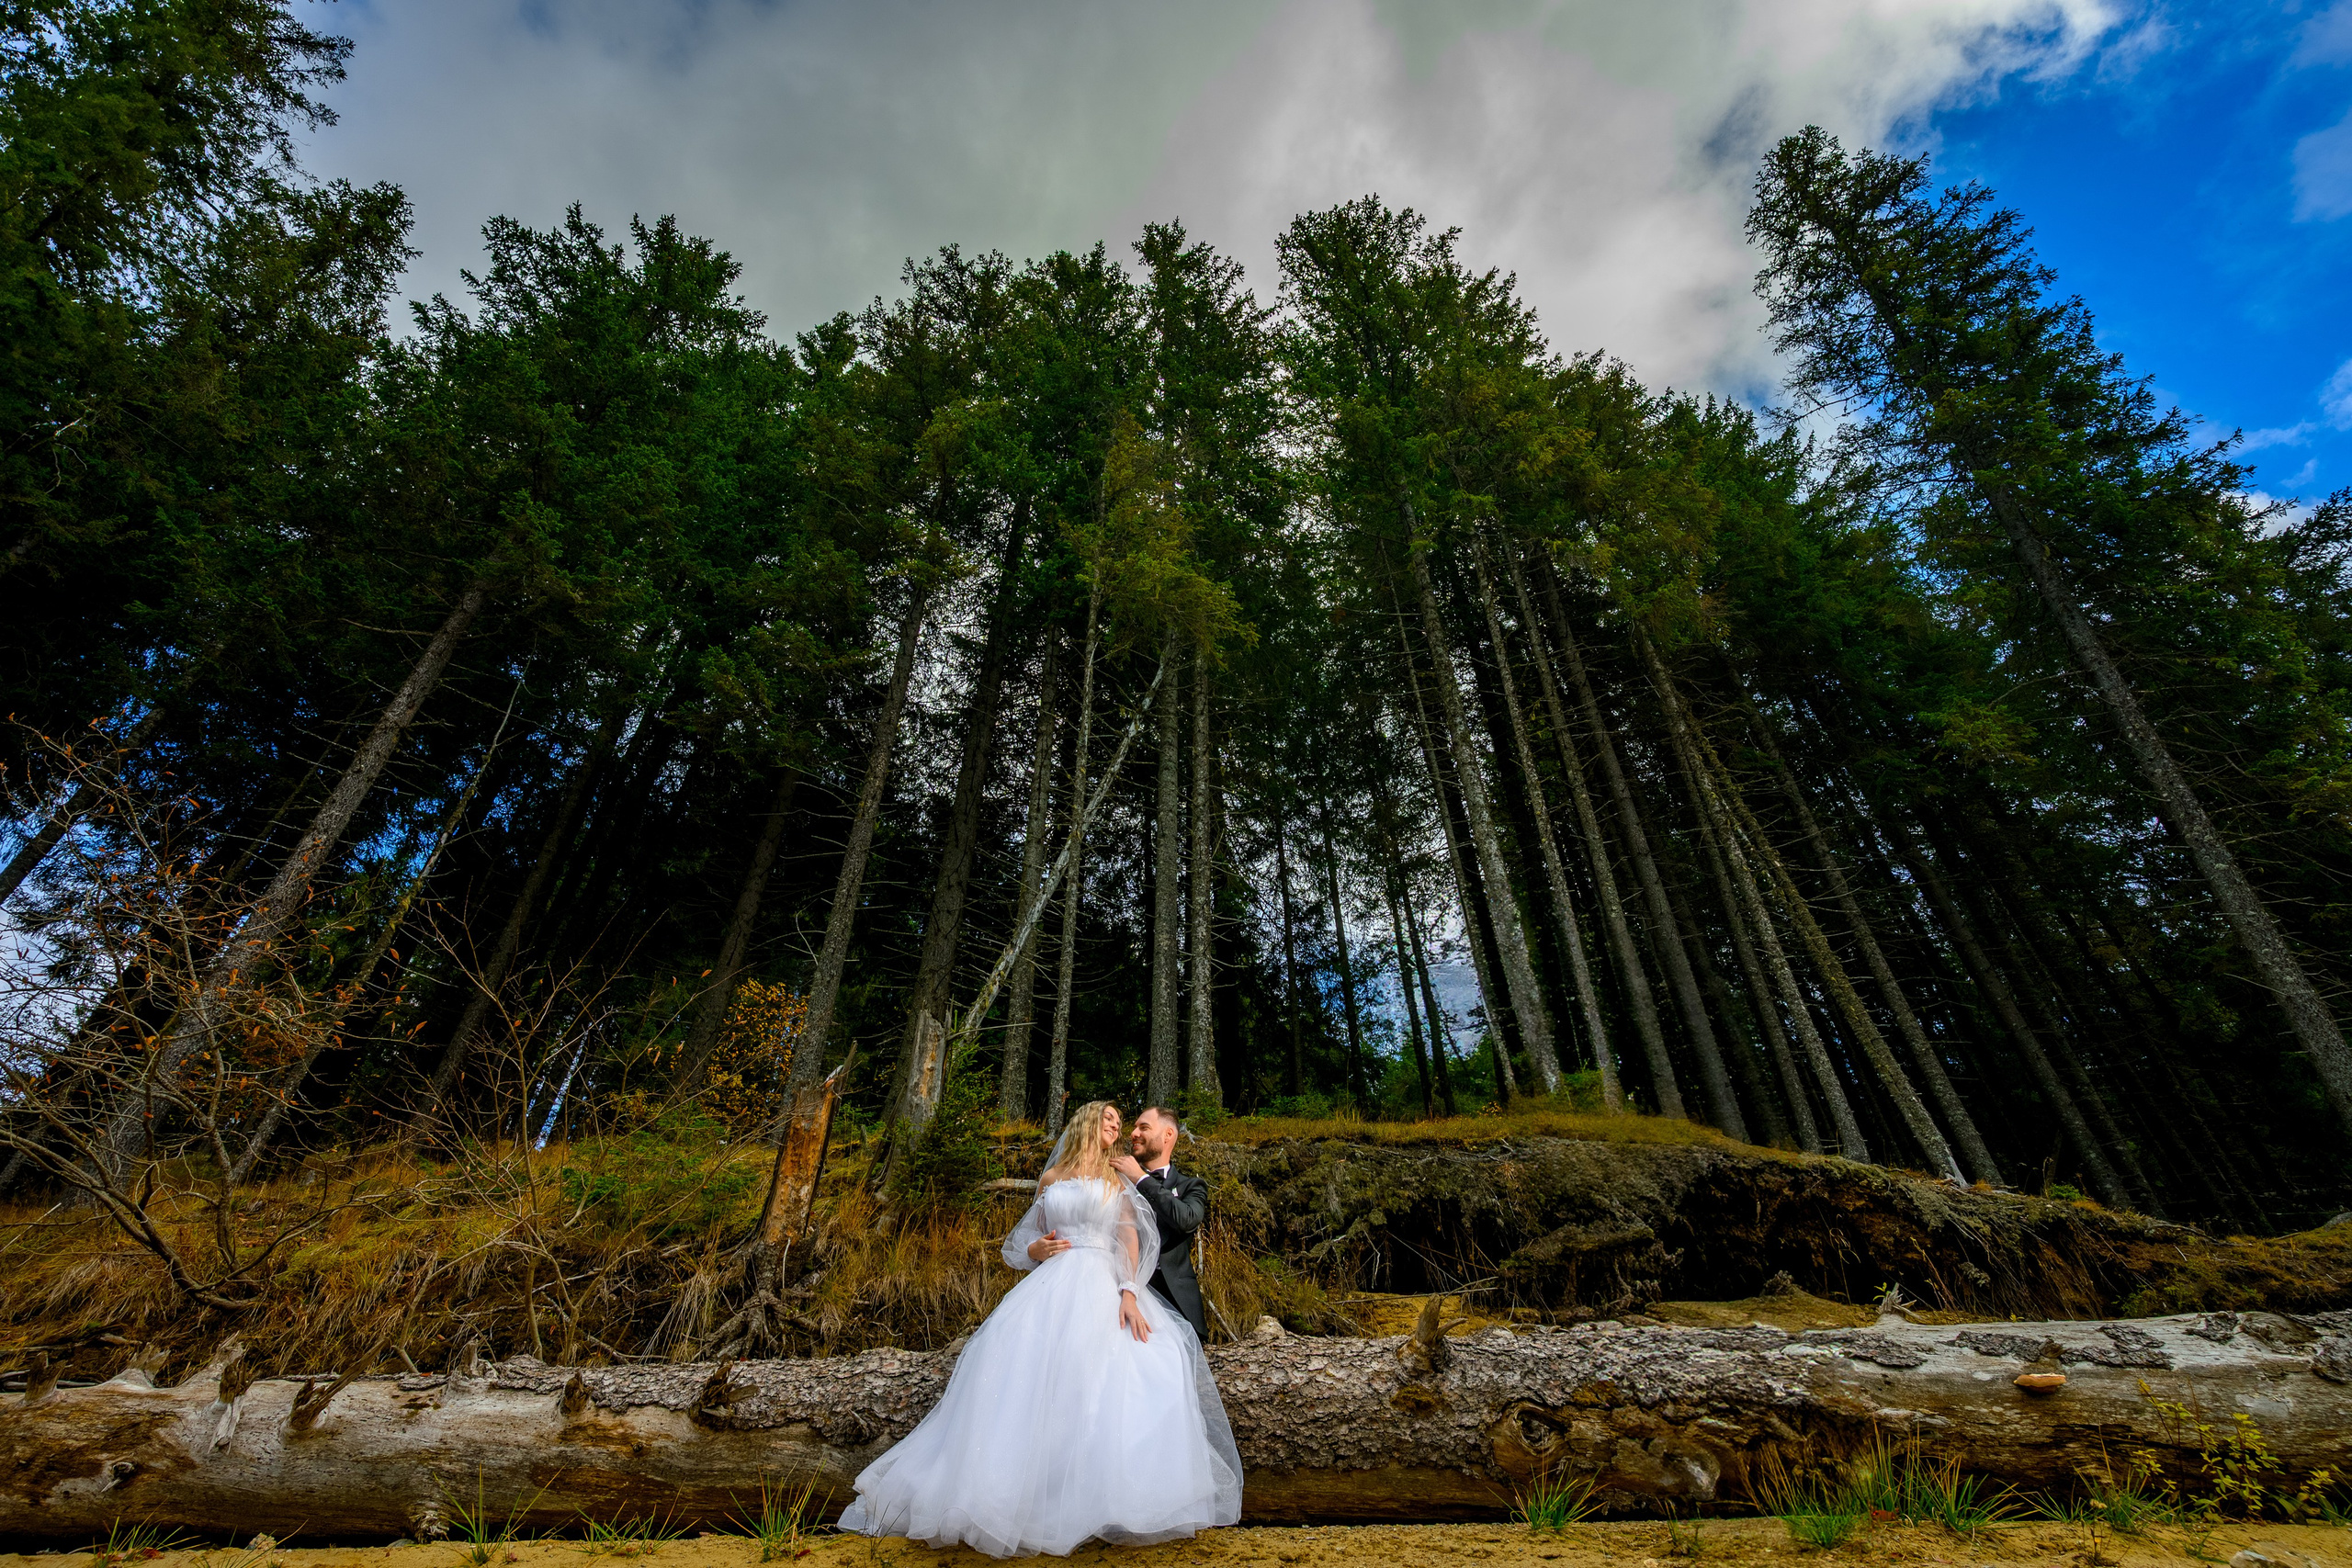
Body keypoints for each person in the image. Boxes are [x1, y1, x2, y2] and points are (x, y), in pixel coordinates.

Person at [836, 1100, 1243, 1558]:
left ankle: (1098, 1496)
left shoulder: (1119, 1178)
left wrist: (1129, 1290)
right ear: (1087, 1123)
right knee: (1027, 1376)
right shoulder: (1051, 1178)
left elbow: (1129, 1236)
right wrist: (1036, 1249)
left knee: (1117, 1373)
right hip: (1053, 1284)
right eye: (1110, 1120)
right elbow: (1027, 1238)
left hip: (1103, 1280)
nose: (1119, 1127)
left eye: (1123, 1122)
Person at [1113, 1104, 1209, 1338]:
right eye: (1134, 1127)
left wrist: (1141, 1179)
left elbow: (1186, 1220)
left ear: (1168, 1134)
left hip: (1176, 1302)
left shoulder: (1191, 1186)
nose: (1133, 1133)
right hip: (1117, 1295)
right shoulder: (1115, 1180)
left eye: (1144, 1127)